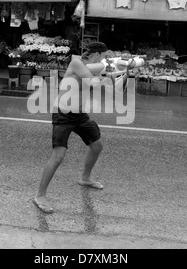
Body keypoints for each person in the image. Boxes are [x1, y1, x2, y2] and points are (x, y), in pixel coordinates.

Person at [33, 42, 133, 214]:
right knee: (58, 156)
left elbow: (111, 90)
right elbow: (93, 82)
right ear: (96, 54)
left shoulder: (92, 68)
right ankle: (40, 195)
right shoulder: (77, 63)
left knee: (97, 146)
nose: (105, 60)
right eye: (104, 57)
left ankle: (85, 178)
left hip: (79, 115)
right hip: (63, 115)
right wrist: (110, 73)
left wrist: (125, 74)